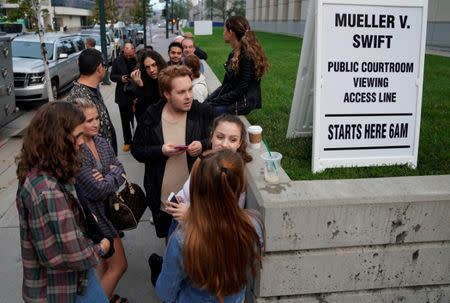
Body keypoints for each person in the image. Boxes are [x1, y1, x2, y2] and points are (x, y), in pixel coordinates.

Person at [16, 102, 111, 303]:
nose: (80, 143)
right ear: (58, 139)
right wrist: (102, 246)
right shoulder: (48, 190)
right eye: (77, 137)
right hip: (64, 288)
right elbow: (78, 254)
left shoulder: (38, 171)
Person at [148, 114, 252, 286]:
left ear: (240, 143)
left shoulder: (232, 175)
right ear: (211, 135)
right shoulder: (206, 158)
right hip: (182, 222)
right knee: (172, 261)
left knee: (181, 277)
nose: (225, 144)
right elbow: (190, 186)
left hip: (198, 237)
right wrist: (180, 196)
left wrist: (190, 215)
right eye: (220, 137)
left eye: (232, 139)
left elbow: (228, 220)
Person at [155, 149, 264, 303]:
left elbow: (166, 291)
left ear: (197, 188)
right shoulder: (254, 224)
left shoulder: (183, 238)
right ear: (240, 186)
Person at [131, 65, 216, 239]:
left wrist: (203, 144)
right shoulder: (152, 115)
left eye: (190, 89)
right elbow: (137, 150)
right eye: (181, 92)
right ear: (167, 94)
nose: (189, 96)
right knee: (170, 244)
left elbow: (221, 139)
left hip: (197, 202)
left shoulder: (202, 111)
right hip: (164, 202)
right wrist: (160, 150)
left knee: (196, 247)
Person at [72, 99, 128, 303]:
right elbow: (96, 189)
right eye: (89, 120)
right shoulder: (76, 152)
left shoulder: (102, 141)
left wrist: (110, 177)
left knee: (105, 265)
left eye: (97, 118)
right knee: (120, 265)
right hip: (96, 217)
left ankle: (105, 296)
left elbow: (121, 169)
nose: (96, 123)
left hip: (110, 211)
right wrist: (112, 175)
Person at [205, 15, 269, 115]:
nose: (223, 33)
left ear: (231, 32)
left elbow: (241, 90)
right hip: (234, 98)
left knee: (206, 112)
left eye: (224, 30)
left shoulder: (246, 56)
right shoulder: (234, 53)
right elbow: (226, 86)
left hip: (242, 103)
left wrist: (213, 103)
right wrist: (210, 99)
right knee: (204, 106)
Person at [67, 48, 118, 155]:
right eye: (105, 66)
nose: (105, 69)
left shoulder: (91, 90)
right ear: (99, 68)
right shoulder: (79, 98)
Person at [110, 43, 137, 152]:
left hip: (136, 94)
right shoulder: (117, 61)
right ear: (123, 52)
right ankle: (127, 141)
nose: (129, 57)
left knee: (139, 118)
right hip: (123, 95)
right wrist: (121, 78)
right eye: (127, 55)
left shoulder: (138, 60)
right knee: (125, 120)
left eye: (130, 55)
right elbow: (112, 76)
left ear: (134, 51)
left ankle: (138, 139)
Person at [130, 50, 167, 120]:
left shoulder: (168, 80)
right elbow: (141, 111)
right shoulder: (144, 81)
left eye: (154, 65)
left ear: (159, 63)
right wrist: (140, 86)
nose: (151, 70)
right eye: (147, 67)